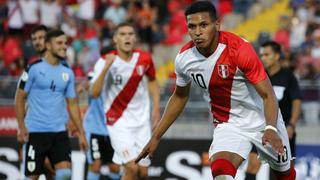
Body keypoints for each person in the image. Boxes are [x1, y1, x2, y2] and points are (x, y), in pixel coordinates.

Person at [135, 1, 296, 180]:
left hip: (263, 120)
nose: (197, 32)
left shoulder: (239, 50)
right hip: (228, 124)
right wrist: (156, 136)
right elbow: (180, 97)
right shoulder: (184, 59)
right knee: (220, 172)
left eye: (203, 25)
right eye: (192, 26)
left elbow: (268, 95)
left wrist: (271, 128)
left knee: (285, 174)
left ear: (217, 24)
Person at [90, 22, 160, 180]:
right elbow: (94, 93)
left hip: (142, 123)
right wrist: (106, 67)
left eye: (130, 34)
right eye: (122, 34)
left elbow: (153, 81)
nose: (127, 37)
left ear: (135, 38)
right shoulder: (104, 61)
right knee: (131, 168)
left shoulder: (144, 58)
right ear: (115, 39)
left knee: (143, 173)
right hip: (118, 123)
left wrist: (156, 107)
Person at [15, 29, 88, 180]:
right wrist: (21, 127)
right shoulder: (33, 68)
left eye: (65, 43)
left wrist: (81, 134)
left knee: (64, 174)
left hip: (59, 132)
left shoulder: (68, 72)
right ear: (48, 45)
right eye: (59, 43)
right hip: (35, 132)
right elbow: (19, 97)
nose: (64, 46)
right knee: (32, 177)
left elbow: (73, 104)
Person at [245, 41, 302, 180]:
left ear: (277, 56)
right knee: (252, 166)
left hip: (283, 131)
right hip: (262, 128)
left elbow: (296, 101)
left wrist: (292, 125)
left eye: (266, 54)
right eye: (261, 55)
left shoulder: (288, 77)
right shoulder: (259, 76)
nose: (263, 58)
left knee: (285, 171)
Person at [79, 47, 121, 180]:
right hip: (95, 128)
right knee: (95, 165)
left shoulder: (119, 76)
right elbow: (85, 85)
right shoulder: (95, 74)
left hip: (113, 130)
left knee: (115, 167)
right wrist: (82, 88)